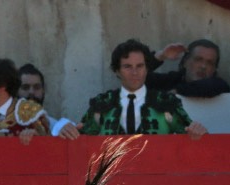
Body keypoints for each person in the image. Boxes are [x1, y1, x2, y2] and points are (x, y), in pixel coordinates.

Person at [78, 39, 207, 138]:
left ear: (147, 69)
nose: (135, 72)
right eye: (128, 67)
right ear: (117, 71)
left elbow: (192, 136)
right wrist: (63, 128)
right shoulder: (102, 103)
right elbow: (80, 138)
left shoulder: (166, 102)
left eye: (140, 66)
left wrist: (199, 132)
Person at [147, 39, 230, 98]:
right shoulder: (171, 79)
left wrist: (178, 91)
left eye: (209, 63)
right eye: (198, 59)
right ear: (185, 62)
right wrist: (160, 56)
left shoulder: (218, 86)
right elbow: (139, 77)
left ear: (214, 69)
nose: (203, 66)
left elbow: (220, 86)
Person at [17, 63, 77, 138]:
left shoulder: (56, 127)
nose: (31, 92)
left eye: (37, 87)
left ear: (43, 90)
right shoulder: (2, 124)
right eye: (25, 87)